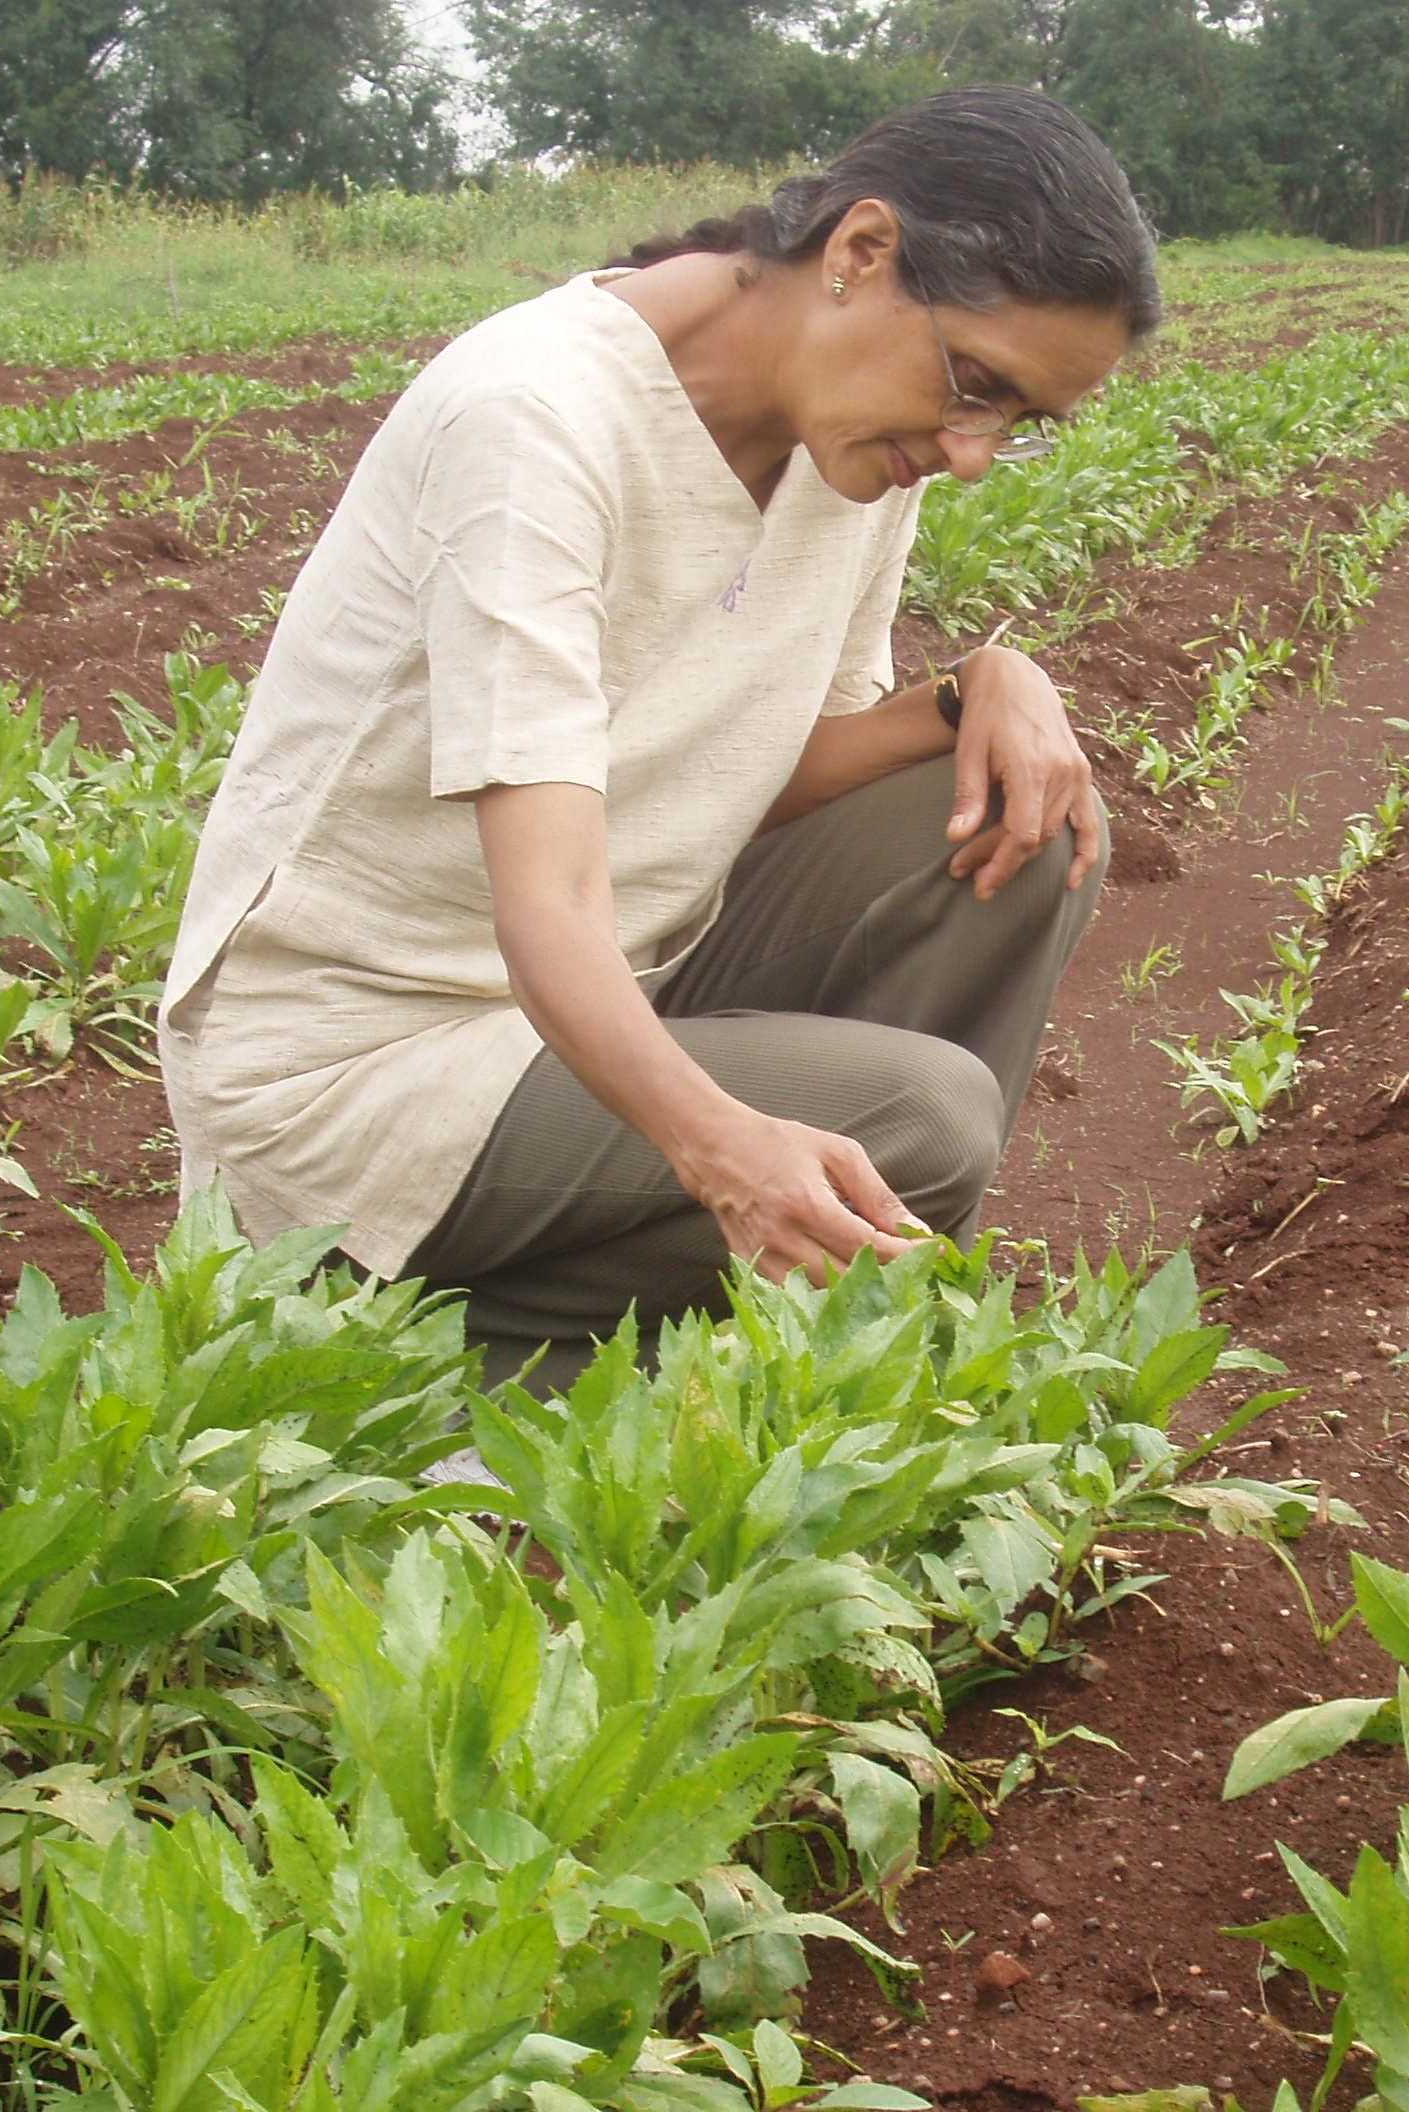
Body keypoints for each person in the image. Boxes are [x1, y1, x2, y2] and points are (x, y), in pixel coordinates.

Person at [159, 87, 1160, 1387]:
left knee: (1014, 829)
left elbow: (765, 765)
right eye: (974, 386)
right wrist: (725, 1150)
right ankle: (405, 1364)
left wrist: (981, 685)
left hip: (608, 981)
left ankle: (785, 1317)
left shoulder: (851, 437)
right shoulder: (538, 417)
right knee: (922, 1115)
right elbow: (550, 905)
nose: (971, 452)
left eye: (1017, 422)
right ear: (860, 254)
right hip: (368, 1060)